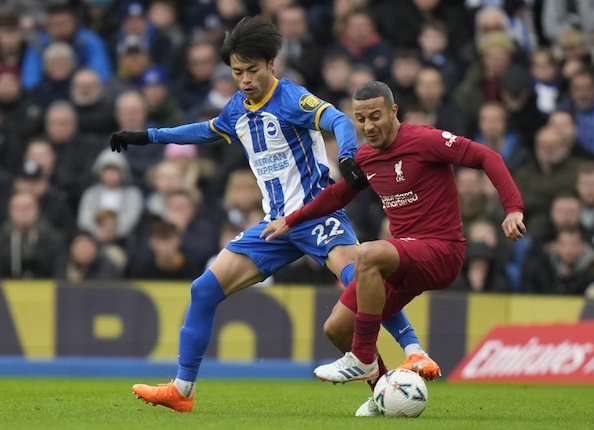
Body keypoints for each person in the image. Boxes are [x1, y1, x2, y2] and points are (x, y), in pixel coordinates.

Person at [109, 16, 430, 413]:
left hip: (315, 216)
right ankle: (182, 389)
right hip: (274, 226)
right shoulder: (236, 110)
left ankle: (414, 351)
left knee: (358, 278)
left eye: (252, 70)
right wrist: (148, 137)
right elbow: (204, 130)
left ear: (271, 65)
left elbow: (337, 119)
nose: (245, 79)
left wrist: (347, 155)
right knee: (203, 290)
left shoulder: (291, 98)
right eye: (237, 72)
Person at [261, 81, 525, 415]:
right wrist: (292, 219)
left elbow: (486, 156)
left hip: (441, 251)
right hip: (403, 260)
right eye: (361, 119)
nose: (368, 126)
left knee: (367, 253)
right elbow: (338, 195)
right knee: (336, 328)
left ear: (393, 112)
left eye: (375, 117)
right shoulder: (366, 157)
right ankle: (383, 395)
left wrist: (513, 207)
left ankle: (360, 355)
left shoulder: (425, 140)